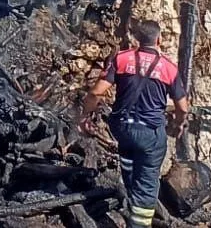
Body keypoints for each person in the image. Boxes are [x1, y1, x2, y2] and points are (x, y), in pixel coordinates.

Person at [80, 21, 189, 228]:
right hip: (150, 135)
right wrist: (179, 123)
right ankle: (137, 223)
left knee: (129, 166)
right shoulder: (168, 68)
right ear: (159, 39)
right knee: (147, 186)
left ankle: (130, 200)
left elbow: (95, 92)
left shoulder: (121, 59)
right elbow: (182, 107)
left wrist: (85, 117)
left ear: (137, 39)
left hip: (123, 130)